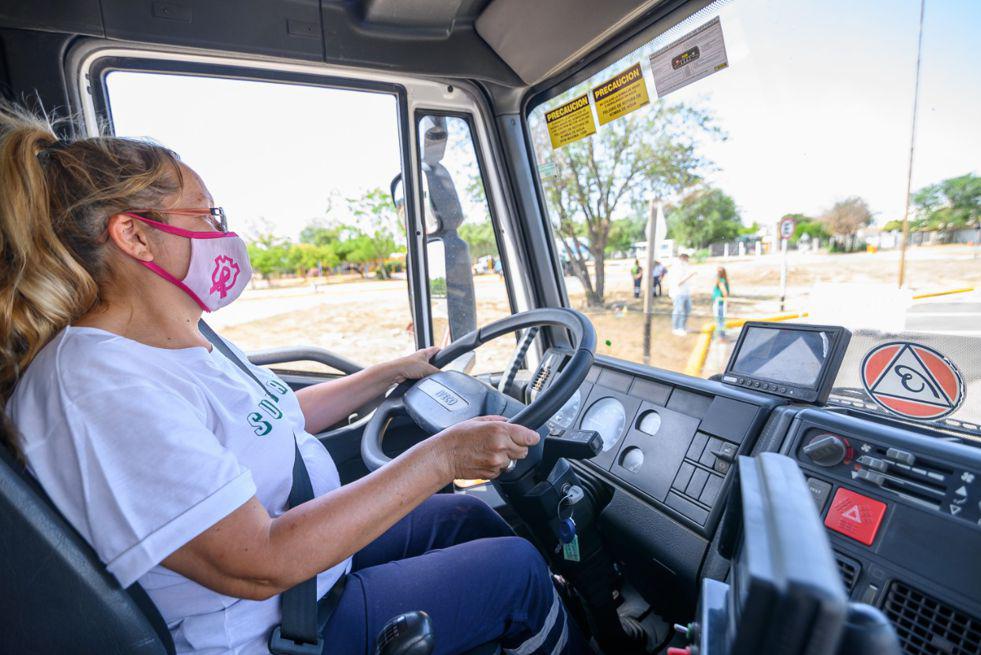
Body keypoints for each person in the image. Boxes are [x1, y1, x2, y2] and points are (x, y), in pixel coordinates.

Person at [0, 105, 588, 655]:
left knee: (468, 518)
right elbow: (257, 561)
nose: (221, 232)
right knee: (517, 572)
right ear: (135, 236)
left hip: (304, 575)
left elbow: (272, 418)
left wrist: (384, 374)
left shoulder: (180, 335)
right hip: (270, 623)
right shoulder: (98, 387)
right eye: (207, 215)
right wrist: (442, 457)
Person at [669, 253, 694, 336]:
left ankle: (683, 326)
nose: (688, 259)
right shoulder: (676, 268)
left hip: (686, 293)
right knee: (679, 311)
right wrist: (690, 275)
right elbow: (678, 282)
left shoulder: (685, 267)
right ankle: (676, 328)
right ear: (682, 257)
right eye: (686, 257)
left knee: (687, 309)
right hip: (678, 293)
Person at [712, 267, 730, 340]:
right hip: (720, 303)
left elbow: (724, 292)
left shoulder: (720, 281)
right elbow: (725, 292)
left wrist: (727, 301)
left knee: (719, 320)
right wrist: (727, 301)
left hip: (719, 303)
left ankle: (720, 336)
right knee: (721, 320)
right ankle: (721, 336)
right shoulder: (722, 281)